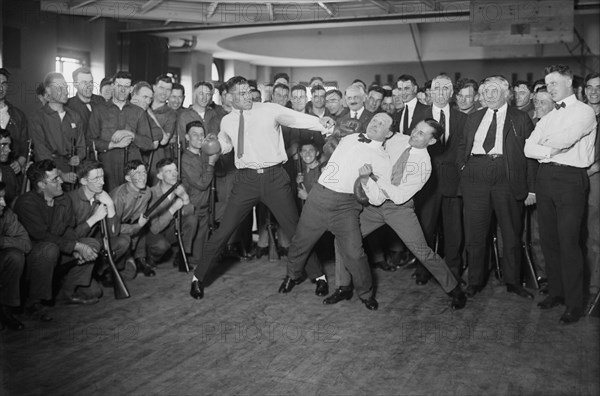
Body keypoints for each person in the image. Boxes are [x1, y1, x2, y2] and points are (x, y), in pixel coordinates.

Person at [189, 75, 334, 300]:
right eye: (242, 94)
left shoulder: (269, 110)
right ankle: (198, 278)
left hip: (274, 178)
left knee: (294, 229)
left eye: (248, 91)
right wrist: (216, 145)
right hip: (246, 180)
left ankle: (319, 277)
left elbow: (294, 119)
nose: (248, 96)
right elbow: (226, 144)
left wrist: (319, 123)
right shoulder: (227, 121)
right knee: (224, 230)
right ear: (228, 97)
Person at [332, 118, 467, 309]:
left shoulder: (424, 166)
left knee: (423, 252)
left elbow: (400, 195)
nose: (414, 134)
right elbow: (377, 134)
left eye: (421, 133)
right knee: (342, 236)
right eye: (415, 129)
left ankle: (455, 290)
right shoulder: (398, 140)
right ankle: (343, 287)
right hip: (375, 204)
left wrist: (376, 178)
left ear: (432, 141)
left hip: (399, 208)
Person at [278, 113, 394, 310]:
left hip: (346, 207)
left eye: (382, 123)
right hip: (319, 197)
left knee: (355, 253)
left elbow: (378, 197)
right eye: (374, 120)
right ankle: (292, 275)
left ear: (389, 133)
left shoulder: (383, 159)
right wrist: (323, 121)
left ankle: (366, 293)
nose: (375, 124)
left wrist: (366, 180)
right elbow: (325, 126)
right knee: (300, 242)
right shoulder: (350, 136)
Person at [524, 65, 597, 324]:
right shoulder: (549, 115)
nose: (550, 87)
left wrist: (545, 144)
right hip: (546, 178)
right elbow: (527, 147)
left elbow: (566, 139)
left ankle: (575, 304)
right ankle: (557, 292)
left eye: (554, 83)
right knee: (549, 240)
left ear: (569, 83)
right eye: (547, 83)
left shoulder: (585, 111)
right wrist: (547, 151)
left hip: (570, 179)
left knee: (569, 243)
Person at [457, 75, 537, 300]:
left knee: (511, 233)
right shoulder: (473, 118)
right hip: (475, 177)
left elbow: (531, 157)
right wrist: (463, 168)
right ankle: (475, 281)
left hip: (507, 177)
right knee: (475, 234)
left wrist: (531, 189)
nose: (488, 96)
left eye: (494, 91)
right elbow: (463, 145)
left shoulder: (520, 118)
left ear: (506, 93)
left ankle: (513, 281)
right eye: (485, 92)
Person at [15, 160, 102, 318]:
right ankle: (33, 302)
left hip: (59, 250)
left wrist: (77, 247)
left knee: (92, 244)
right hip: (32, 257)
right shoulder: (26, 203)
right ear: (42, 184)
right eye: (55, 179)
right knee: (49, 249)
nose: (61, 181)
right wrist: (75, 247)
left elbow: (68, 228)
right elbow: (42, 236)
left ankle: (67, 292)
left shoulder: (63, 199)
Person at [412, 75, 468, 284]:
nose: (442, 92)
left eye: (446, 88)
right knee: (425, 229)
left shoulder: (462, 118)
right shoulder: (420, 116)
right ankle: (422, 270)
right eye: (437, 88)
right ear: (431, 92)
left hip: (454, 183)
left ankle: (453, 271)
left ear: (452, 92)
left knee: (454, 230)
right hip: (427, 183)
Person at [68, 160, 134, 286]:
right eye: (96, 179)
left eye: (102, 177)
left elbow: (114, 233)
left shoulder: (101, 196)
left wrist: (110, 205)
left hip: (93, 245)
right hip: (75, 249)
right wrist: (95, 218)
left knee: (124, 240)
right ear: (83, 181)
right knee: (93, 293)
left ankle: (100, 270)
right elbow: (69, 237)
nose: (102, 182)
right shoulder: (70, 200)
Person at [88, 71, 154, 191]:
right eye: (119, 86)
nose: (123, 90)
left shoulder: (138, 112)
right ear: (113, 86)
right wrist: (112, 145)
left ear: (131, 89)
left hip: (133, 167)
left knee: (132, 203)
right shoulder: (99, 110)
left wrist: (131, 134)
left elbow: (148, 144)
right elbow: (90, 141)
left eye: (126, 86)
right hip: (108, 167)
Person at [181, 121, 218, 270]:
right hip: (193, 206)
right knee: (191, 238)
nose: (198, 138)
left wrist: (213, 140)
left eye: (201, 134)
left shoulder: (204, 153)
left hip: (204, 207)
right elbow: (202, 184)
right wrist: (211, 164)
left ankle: (196, 261)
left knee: (200, 252)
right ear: (187, 137)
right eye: (194, 134)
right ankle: (182, 258)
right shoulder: (186, 159)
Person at [147, 158, 197, 269]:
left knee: (191, 220)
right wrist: (173, 209)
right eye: (168, 171)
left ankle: (181, 256)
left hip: (169, 229)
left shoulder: (178, 188)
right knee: (162, 245)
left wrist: (185, 197)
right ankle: (149, 258)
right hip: (152, 233)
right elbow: (154, 229)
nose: (174, 174)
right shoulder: (152, 194)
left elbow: (190, 212)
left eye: (175, 170)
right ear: (160, 176)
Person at [109, 160, 155, 277]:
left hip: (128, 230)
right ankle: (108, 269)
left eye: (144, 172)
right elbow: (113, 230)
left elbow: (137, 220)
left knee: (130, 274)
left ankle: (139, 259)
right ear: (128, 178)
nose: (143, 176)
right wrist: (137, 226)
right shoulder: (118, 198)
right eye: (137, 173)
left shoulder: (147, 192)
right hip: (109, 232)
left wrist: (138, 225)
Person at [0, 181, 30, 330]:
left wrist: (3, 241)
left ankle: (6, 309)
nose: (3, 203)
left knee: (15, 256)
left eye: (3, 197)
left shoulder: (7, 215)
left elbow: (26, 244)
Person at [583, 72, 600, 308]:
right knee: (575, 235)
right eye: (590, 87)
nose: (594, 91)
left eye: (599, 87)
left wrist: (595, 167)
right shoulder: (577, 114)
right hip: (572, 182)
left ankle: (594, 287)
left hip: (595, 180)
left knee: (594, 234)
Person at [0, 68, 29, 175]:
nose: (0, 88)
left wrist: (20, 162)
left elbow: (25, 144)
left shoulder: (18, 115)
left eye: (3, 84)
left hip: (11, 172)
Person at [66, 67, 105, 139]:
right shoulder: (68, 106)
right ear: (75, 84)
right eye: (84, 82)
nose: (89, 86)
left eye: (91, 82)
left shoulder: (101, 101)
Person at [0, 129, 21, 206]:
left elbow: (16, 201)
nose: (8, 150)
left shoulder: (9, 172)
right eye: (3, 145)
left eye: (9, 145)